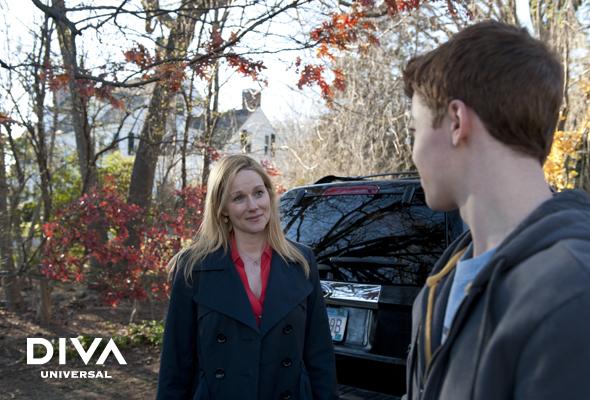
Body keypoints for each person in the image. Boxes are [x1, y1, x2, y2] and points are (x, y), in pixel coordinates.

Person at [401, 20, 590, 400]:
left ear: (456, 121)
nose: (414, 152)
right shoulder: (442, 283)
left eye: (416, 131)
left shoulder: (572, 293)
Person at [156, 155, 338, 400]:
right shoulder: (193, 268)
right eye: (238, 198)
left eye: (258, 193)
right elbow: (175, 364)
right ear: (222, 208)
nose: (253, 206)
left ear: (269, 196)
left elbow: (320, 356)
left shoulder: (301, 262)